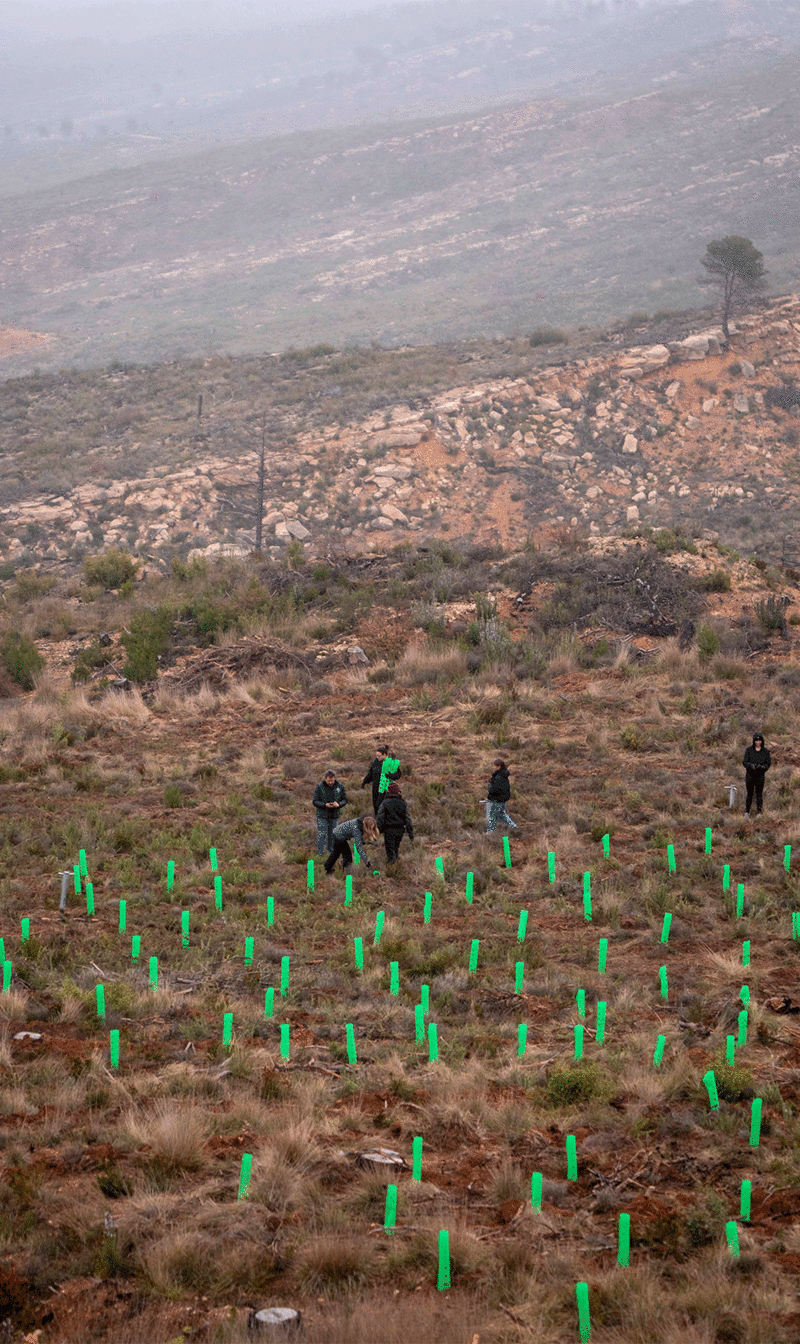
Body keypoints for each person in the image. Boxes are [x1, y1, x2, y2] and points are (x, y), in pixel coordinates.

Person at [376, 781, 414, 863]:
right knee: (396, 848)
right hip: (400, 830)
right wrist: (410, 832)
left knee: (390, 851)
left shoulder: (385, 803)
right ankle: (396, 865)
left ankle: (392, 868)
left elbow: (380, 818)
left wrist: (378, 830)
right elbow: (407, 818)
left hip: (389, 830)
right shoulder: (403, 803)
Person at [312, 770, 347, 856]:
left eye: (332, 780)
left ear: (335, 778)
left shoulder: (340, 786)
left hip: (334, 815)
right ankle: (319, 853)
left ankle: (331, 852)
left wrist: (338, 804)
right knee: (322, 834)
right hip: (322, 815)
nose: (330, 782)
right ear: (325, 779)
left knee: (332, 834)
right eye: (328, 781)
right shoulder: (320, 787)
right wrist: (325, 805)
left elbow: (345, 800)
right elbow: (315, 801)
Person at [361, 745, 401, 815]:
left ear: (384, 755)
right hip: (376, 787)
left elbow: (398, 774)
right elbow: (371, 773)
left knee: (382, 806)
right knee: (376, 806)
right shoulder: (376, 762)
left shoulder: (391, 763)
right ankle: (377, 821)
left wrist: (391, 776)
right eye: (376, 755)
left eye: (379, 756)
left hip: (386, 789)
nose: (377, 757)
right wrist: (365, 781)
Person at [485, 758, 517, 833]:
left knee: (492, 817)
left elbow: (494, 790)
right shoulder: (503, 776)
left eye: (494, 766)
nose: (493, 767)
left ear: (498, 766)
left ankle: (490, 833)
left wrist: (490, 787)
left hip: (497, 800)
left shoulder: (499, 777)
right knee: (502, 815)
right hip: (502, 800)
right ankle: (514, 827)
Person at [743, 732, 771, 817]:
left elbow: (768, 763)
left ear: (762, 741)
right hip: (750, 775)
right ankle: (747, 811)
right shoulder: (749, 750)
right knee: (749, 794)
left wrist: (762, 767)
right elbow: (744, 762)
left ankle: (759, 812)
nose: (758, 742)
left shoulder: (765, 751)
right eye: (756, 740)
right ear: (754, 741)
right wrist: (751, 766)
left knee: (759, 794)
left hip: (760, 775)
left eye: (759, 741)